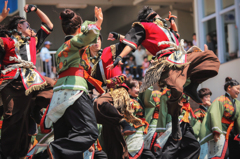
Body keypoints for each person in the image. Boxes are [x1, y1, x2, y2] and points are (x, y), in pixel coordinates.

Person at [106, 6, 220, 141]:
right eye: (159, 16)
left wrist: (173, 25)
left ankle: (192, 85)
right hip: (166, 62)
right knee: (176, 89)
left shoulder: (167, 30)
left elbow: (176, 39)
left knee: (211, 59)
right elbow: (133, 41)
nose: (162, 18)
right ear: (151, 17)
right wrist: (120, 56)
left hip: (182, 57)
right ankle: (174, 120)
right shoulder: (143, 26)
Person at [40, 7, 103, 159]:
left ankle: (54, 151)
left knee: (64, 135)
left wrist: (82, 24)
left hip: (59, 92)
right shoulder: (75, 43)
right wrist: (98, 21)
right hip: (74, 90)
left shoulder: (62, 47)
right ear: (79, 29)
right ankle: (51, 151)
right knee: (89, 131)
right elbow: (89, 35)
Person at [0, 3, 54, 159]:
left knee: (57, 87)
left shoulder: (33, 40)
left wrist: (36, 9)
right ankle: (8, 154)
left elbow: (49, 25)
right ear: (19, 26)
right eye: (27, 25)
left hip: (33, 79)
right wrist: (2, 17)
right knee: (13, 117)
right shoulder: (5, 40)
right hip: (11, 81)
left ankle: (37, 110)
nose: (31, 28)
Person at [199, 77, 240, 159]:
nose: (239, 91)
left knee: (235, 153)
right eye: (237, 89)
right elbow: (215, 114)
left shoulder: (237, 103)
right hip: (221, 131)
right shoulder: (220, 100)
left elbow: (238, 120)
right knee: (221, 154)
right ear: (229, 88)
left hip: (232, 133)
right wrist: (216, 131)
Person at [156, 87, 200, 159]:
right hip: (175, 122)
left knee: (194, 146)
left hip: (184, 122)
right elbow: (163, 112)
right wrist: (161, 130)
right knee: (171, 148)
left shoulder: (184, 89)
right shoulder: (167, 92)